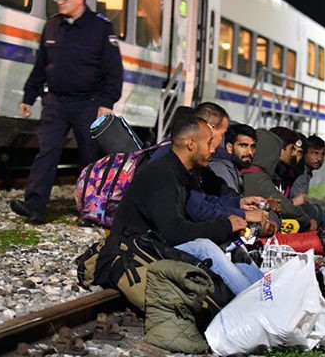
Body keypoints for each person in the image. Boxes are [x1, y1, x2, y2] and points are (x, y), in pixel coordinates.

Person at [96, 115, 263, 299]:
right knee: (205, 247)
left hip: (155, 245)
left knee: (230, 244)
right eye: (209, 143)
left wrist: (235, 215)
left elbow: (205, 204)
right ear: (191, 144)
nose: (214, 149)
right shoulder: (162, 176)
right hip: (132, 251)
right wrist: (226, 225)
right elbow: (174, 232)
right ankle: (254, 301)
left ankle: (263, 291)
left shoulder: (181, 173)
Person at [9, 0, 124, 224]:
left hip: (89, 103)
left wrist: (107, 103)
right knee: (46, 151)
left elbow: (114, 72)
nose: (60, 2)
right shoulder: (52, 25)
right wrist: (29, 95)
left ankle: (89, 212)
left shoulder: (101, 28)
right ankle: (35, 207)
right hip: (57, 101)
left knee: (89, 158)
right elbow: (41, 64)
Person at [290, 134, 325, 199]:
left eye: (322, 154)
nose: (319, 158)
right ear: (304, 153)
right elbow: (299, 204)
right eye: (315, 153)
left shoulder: (306, 173)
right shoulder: (299, 175)